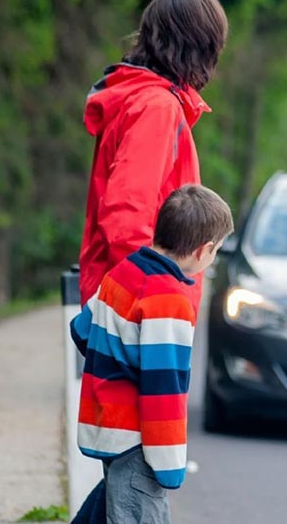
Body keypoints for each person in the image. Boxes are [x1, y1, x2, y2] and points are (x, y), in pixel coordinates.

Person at [70, 185, 234, 523]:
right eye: (216, 251)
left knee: (113, 506)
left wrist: (116, 364)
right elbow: (164, 388)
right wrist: (169, 463)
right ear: (203, 251)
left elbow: (83, 329)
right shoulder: (169, 301)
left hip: (109, 427)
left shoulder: (124, 272)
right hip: (139, 442)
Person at [79, 0, 228, 308]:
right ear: (201, 47)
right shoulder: (156, 107)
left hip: (126, 300)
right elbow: (126, 217)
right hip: (140, 308)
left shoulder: (141, 99)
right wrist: (158, 301)